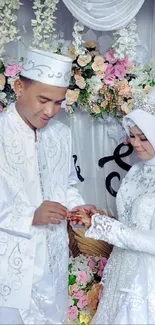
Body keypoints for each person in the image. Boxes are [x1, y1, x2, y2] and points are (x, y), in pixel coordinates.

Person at [0, 48, 93, 324]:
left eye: (59, 102)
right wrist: (30, 214)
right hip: (9, 266)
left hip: (52, 260)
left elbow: (66, 183)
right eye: (43, 100)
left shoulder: (60, 134)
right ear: (19, 87)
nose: (51, 111)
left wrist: (78, 207)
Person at [69, 87, 155, 324]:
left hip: (145, 279)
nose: (135, 143)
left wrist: (100, 224)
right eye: (133, 136)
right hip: (121, 268)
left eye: (144, 137)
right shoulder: (137, 170)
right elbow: (130, 222)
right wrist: (100, 217)